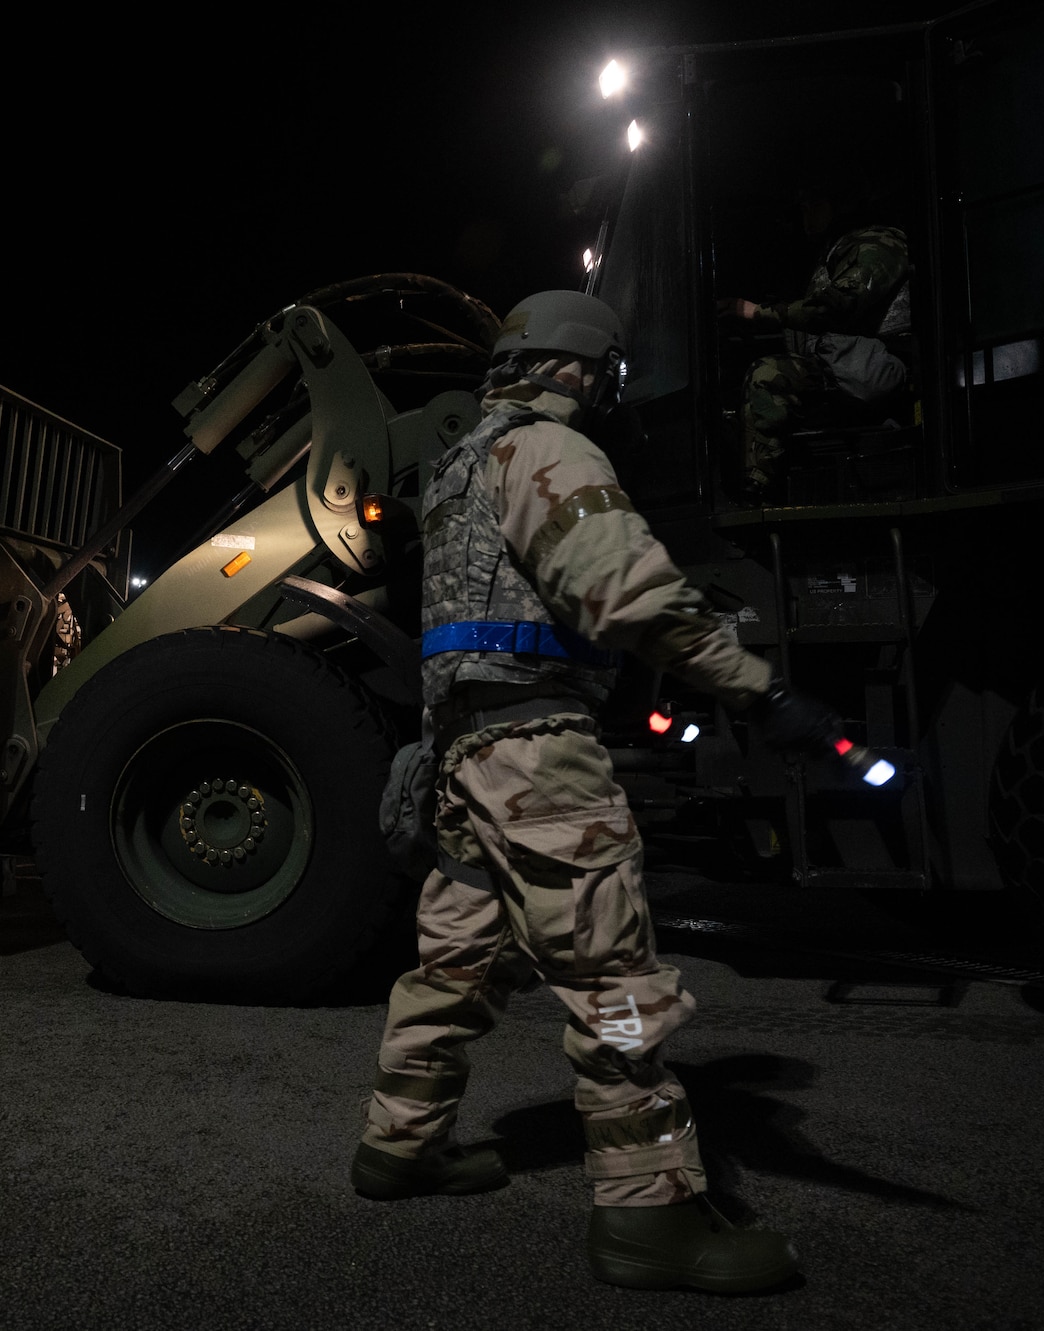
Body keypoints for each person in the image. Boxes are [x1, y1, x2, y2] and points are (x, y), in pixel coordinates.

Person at [352, 290, 852, 1294]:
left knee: (448, 970)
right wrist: (762, 690)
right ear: (580, 368)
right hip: (539, 756)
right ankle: (647, 1212)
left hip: (461, 758)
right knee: (613, 988)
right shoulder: (550, 452)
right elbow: (628, 592)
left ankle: (398, 1145)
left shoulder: (454, 468)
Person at [720, 181, 913, 500]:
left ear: (840, 203)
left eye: (814, 203)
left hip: (874, 371)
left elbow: (837, 305)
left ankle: (757, 491)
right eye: (802, 205)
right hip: (841, 370)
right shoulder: (832, 250)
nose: (805, 214)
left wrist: (755, 312)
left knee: (767, 376)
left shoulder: (879, 243)